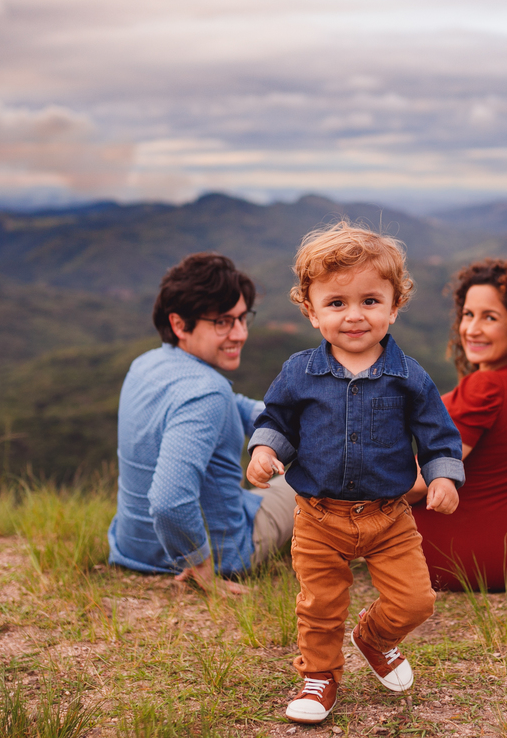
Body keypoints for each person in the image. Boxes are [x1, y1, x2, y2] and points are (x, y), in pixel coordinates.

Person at [246, 222, 464, 724]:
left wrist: (444, 477)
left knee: (416, 602)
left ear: (394, 305)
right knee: (319, 605)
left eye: (370, 300)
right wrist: (263, 451)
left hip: (390, 518)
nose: (354, 315)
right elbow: (276, 420)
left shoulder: (410, 378)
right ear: (311, 310)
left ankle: (375, 636)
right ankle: (319, 678)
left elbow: (438, 435)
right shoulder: (299, 372)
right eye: (337, 303)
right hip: (319, 516)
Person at [107, 252, 296, 595]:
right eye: (223, 322)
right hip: (226, 551)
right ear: (180, 324)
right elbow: (168, 501)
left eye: (242, 319)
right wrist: (199, 564)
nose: (239, 334)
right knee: (314, 479)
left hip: (134, 548)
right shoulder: (207, 393)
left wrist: (313, 419)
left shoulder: (145, 365)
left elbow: (241, 408)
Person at [411, 259, 507, 592]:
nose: (471, 329)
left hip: (451, 555)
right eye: (468, 314)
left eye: (490, 318)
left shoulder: (485, 387)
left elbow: (421, 483)